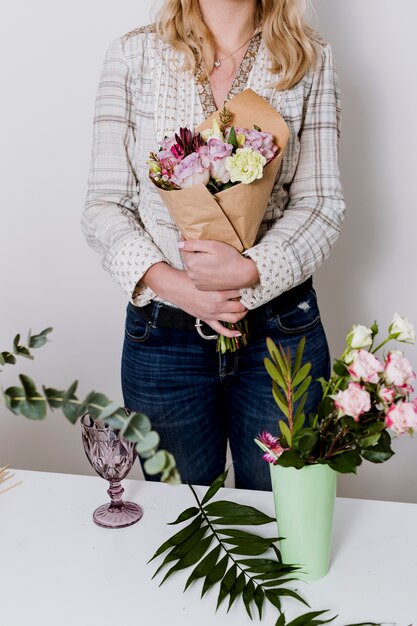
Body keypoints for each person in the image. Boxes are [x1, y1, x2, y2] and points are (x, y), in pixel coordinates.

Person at [82, 0, 346, 490]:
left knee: (277, 525)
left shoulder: (309, 58)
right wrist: (178, 286)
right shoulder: (132, 56)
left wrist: (252, 270)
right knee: (191, 529)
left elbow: (322, 205)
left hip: (280, 332)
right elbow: (103, 205)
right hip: (164, 340)